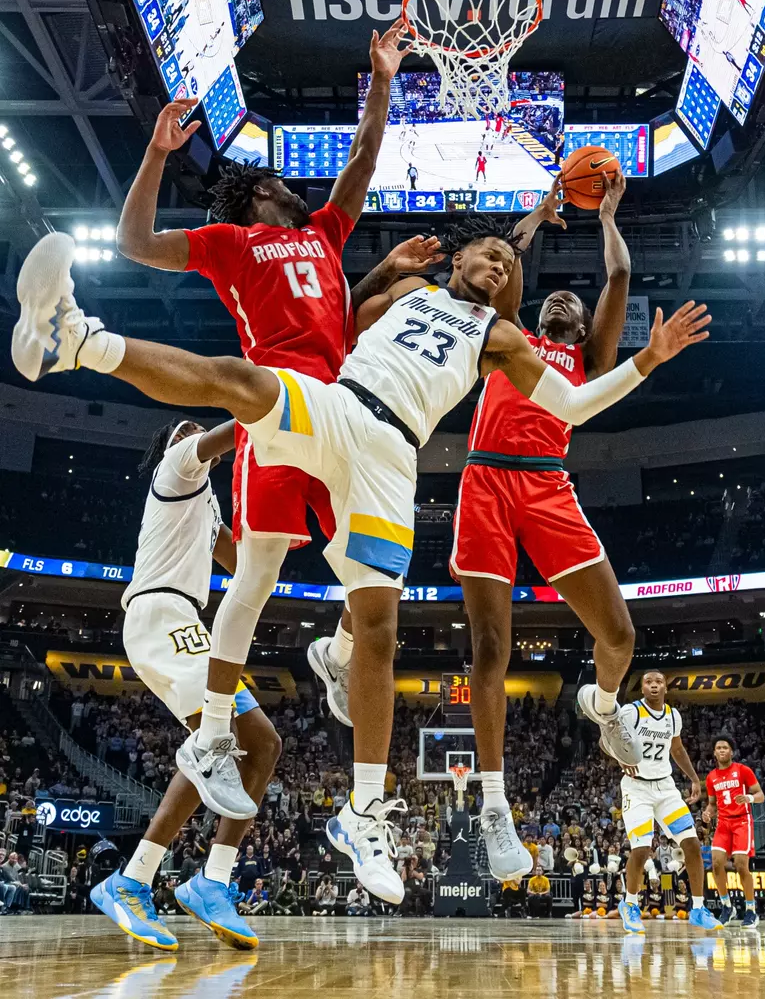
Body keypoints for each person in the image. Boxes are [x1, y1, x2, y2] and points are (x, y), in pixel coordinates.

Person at [12, 219, 709, 906]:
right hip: (339, 407)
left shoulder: (499, 338)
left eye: (506, 262)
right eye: (485, 253)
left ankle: (363, 813)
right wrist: (384, 269)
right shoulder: (406, 295)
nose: (495, 264)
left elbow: (576, 405)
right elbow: (335, 313)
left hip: (390, 455)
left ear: (511, 284)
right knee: (241, 382)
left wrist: (649, 357)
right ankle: (76, 339)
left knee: (378, 627)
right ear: (458, 258)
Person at [112, 19, 422, 791]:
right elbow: (135, 244)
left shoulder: (322, 232)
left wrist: (381, 76)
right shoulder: (228, 240)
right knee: (256, 578)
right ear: (259, 192)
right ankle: (212, 736)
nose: (295, 184)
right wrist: (155, 155)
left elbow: (363, 157)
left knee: (374, 580)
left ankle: (337, 656)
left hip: (341, 412)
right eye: (278, 179)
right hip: (275, 408)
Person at [450, 175, 647, 879]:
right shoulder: (512, 339)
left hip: (547, 486)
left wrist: (609, 216)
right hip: (486, 479)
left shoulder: (589, 359)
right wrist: (535, 213)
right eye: (551, 297)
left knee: (619, 634)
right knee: (490, 648)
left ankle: (602, 703)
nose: (560, 299)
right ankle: (495, 804)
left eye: (572, 300)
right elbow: (503, 264)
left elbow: (618, 272)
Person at [89, 419, 281, 953]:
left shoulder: (209, 503)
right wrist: (275, 411)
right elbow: (234, 428)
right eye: (187, 429)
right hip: (160, 613)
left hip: (185, 624)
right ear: (171, 443)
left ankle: (207, 881)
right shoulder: (175, 468)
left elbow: (242, 563)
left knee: (262, 744)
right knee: (215, 746)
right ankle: (130, 883)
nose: (197, 433)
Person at [613, 672, 720, 934]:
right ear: (642, 687)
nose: (653, 685)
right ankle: (629, 904)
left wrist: (695, 778)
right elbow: (607, 740)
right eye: (648, 681)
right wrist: (620, 757)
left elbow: (677, 749)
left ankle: (697, 908)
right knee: (641, 848)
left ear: (665, 687)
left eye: (658, 682)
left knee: (693, 844)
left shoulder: (673, 715)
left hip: (666, 787)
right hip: (637, 789)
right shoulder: (631, 712)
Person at [703, 736, 765, 928]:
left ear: (731, 751)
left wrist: (748, 798)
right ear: (714, 752)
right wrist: (707, 813)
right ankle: (727, 907)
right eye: (718, 748)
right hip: (723, 823)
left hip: (741, 822)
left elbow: (760, 795)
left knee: (740, 865)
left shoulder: (743, 770)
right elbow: (712, 805)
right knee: (715, 863)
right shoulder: (711, 777)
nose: (722, 750)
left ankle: (751, 910)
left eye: (725, 747)